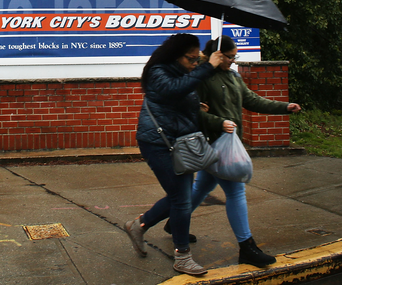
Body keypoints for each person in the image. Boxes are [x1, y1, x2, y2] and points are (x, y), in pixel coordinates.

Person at [192, 36, 302, 267]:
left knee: (202, 187)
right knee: (236, 192)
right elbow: (193, 112)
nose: (233, 61)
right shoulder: (203, 76)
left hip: (229, 143)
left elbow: (252, 100)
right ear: (219, 55)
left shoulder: (233, 76)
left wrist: (284, 107)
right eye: (230, 57)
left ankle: (174, 220)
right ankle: (247, 247)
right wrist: (218, 122)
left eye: (235, 57)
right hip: (214, 143)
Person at [125, 33, 223, 276]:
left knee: (182, 196)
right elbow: (172, 90)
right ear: (176, 56)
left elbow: (176, 97)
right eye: (191, 59)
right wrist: (209, 66)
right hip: (158, 143)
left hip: (177, 142)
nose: (194, 63)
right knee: (181, 198)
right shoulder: (159, 71)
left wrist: (195, 106)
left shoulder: (181, 71)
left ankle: (139, 225)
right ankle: (182, 256)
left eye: (197, 59)